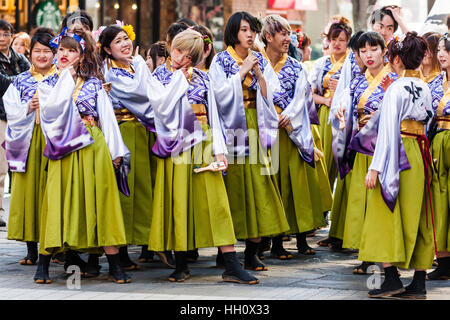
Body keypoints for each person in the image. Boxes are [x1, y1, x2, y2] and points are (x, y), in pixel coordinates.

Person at [149, 29, 259, 284]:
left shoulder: (203, 77)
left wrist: (220, 151)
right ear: (172, 48)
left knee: (217, 202)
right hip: (176, 142)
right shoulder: (158, 76)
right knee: (179, 201)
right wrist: (179, 76)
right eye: (178, 51)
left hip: (204, 141)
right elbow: (162, 107)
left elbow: (215, 117)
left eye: (189, 56)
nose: (181, 58)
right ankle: (180, 263)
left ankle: (231, 264)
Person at [26, 27, 131, 284]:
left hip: (92, 145)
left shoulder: (94, 84)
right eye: (60, 49)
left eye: (71, 50)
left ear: (81, 55)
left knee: (102, 202)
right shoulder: (48, 83)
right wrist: (63, 79)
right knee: (56, 201)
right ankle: (43, 265)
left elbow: (106, 117)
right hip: (63, 147)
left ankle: (115, 265)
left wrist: (115, 152)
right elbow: (48, 116)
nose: (63, 54)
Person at [209, 11, 290, 271]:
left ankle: (252, 252)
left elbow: (272, 94)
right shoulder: (220, 60)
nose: (249, 34)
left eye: (252, 30)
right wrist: (240, 73)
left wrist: (259, 73)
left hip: (254, 123)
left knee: (258, 186)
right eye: (244, 30)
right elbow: (218, 96)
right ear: (233, 33)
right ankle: (227, 250)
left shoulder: (260, 59)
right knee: (232, 186)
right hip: (232, 125)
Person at [359, 32, 436, 299]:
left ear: (399, 59)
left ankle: (391, 278)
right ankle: (419, 282)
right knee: (419, 214)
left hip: (397, 152)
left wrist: (375, 168)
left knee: (386, 213)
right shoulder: (425, 86)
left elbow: (388, 130)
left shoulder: (395, 88)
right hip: (419, 152)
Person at [260, 15, 324, 259]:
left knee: (298, 185)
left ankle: (301, 238)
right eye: (283, 34)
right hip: (268, 132)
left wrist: (287, 115)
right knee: (275, 185)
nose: (289, 38)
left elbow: (302, 97)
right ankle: (275, 241)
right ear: (268, 37)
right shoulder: (257, 62)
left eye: (289, 34)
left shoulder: (296, 66)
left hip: (292, 130)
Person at [336, 31, 397, 273]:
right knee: (362, 201)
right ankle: (367, 254)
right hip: (361, 146)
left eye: (373, 49)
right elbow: (345, 106)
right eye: (363, 51)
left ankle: (384, 253)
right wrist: (343, 112)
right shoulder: (357, 81)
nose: (368, 55)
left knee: (380, 202)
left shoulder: (393, 78)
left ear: (384, 50)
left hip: (384, 146)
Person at [100, 24, 155, 271]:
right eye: (118, 41)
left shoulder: (135, 66)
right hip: (120, 131)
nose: (125, 44)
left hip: (140, 130)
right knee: (122, 188)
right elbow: (139, 92)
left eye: (126, 38)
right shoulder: (107, 70)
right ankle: (119, 249)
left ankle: (140, 243)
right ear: (107, 49)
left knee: (141, 188)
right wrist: (143, 67)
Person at [5, 28, 55, 267]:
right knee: (30, 191)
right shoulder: (22, 80)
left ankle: (54, 243)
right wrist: (27, 107)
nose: (42, 56)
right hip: (29, 139)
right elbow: (10, 108)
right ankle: (31, 247)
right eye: (37, 51)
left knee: (50, 190)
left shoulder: (63, 78)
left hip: (54, 139)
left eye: (47, 51)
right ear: (30, 53)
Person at [316, 30, 364, 251]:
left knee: (357, 184)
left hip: (364, 130)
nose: (365, 54)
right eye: (361, 50)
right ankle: (338, 231)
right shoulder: (344, 63)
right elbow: (343, 93)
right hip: (345, 123)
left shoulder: (381, 72)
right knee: (342, 177)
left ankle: (355, 235)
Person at [309, 19, 352, 189]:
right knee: (325, 158)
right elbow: (310, 94)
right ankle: (324, 205)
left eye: (342, 39)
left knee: (343, 158)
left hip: (345, 114)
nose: (337, 43)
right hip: (326, 113)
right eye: (334, 39)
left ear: (348, 41)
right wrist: (326, 100)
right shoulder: (321, 64)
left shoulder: (354, 63)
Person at [0, 19, 30, 228]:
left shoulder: (19, 59)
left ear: (12, 36)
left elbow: (32, 76)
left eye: (6, 34)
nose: (2, 38)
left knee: (21, 166)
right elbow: (3, 82)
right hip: (1, 116)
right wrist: (21, 82)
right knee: (1, 168)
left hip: (22, 117)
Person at [426, 33, 450, 280]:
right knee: (439, 200)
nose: (441, 54)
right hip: (437, 142)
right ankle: (443, 259)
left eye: (447, 50)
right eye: (440, 50)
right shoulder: (433, 83)